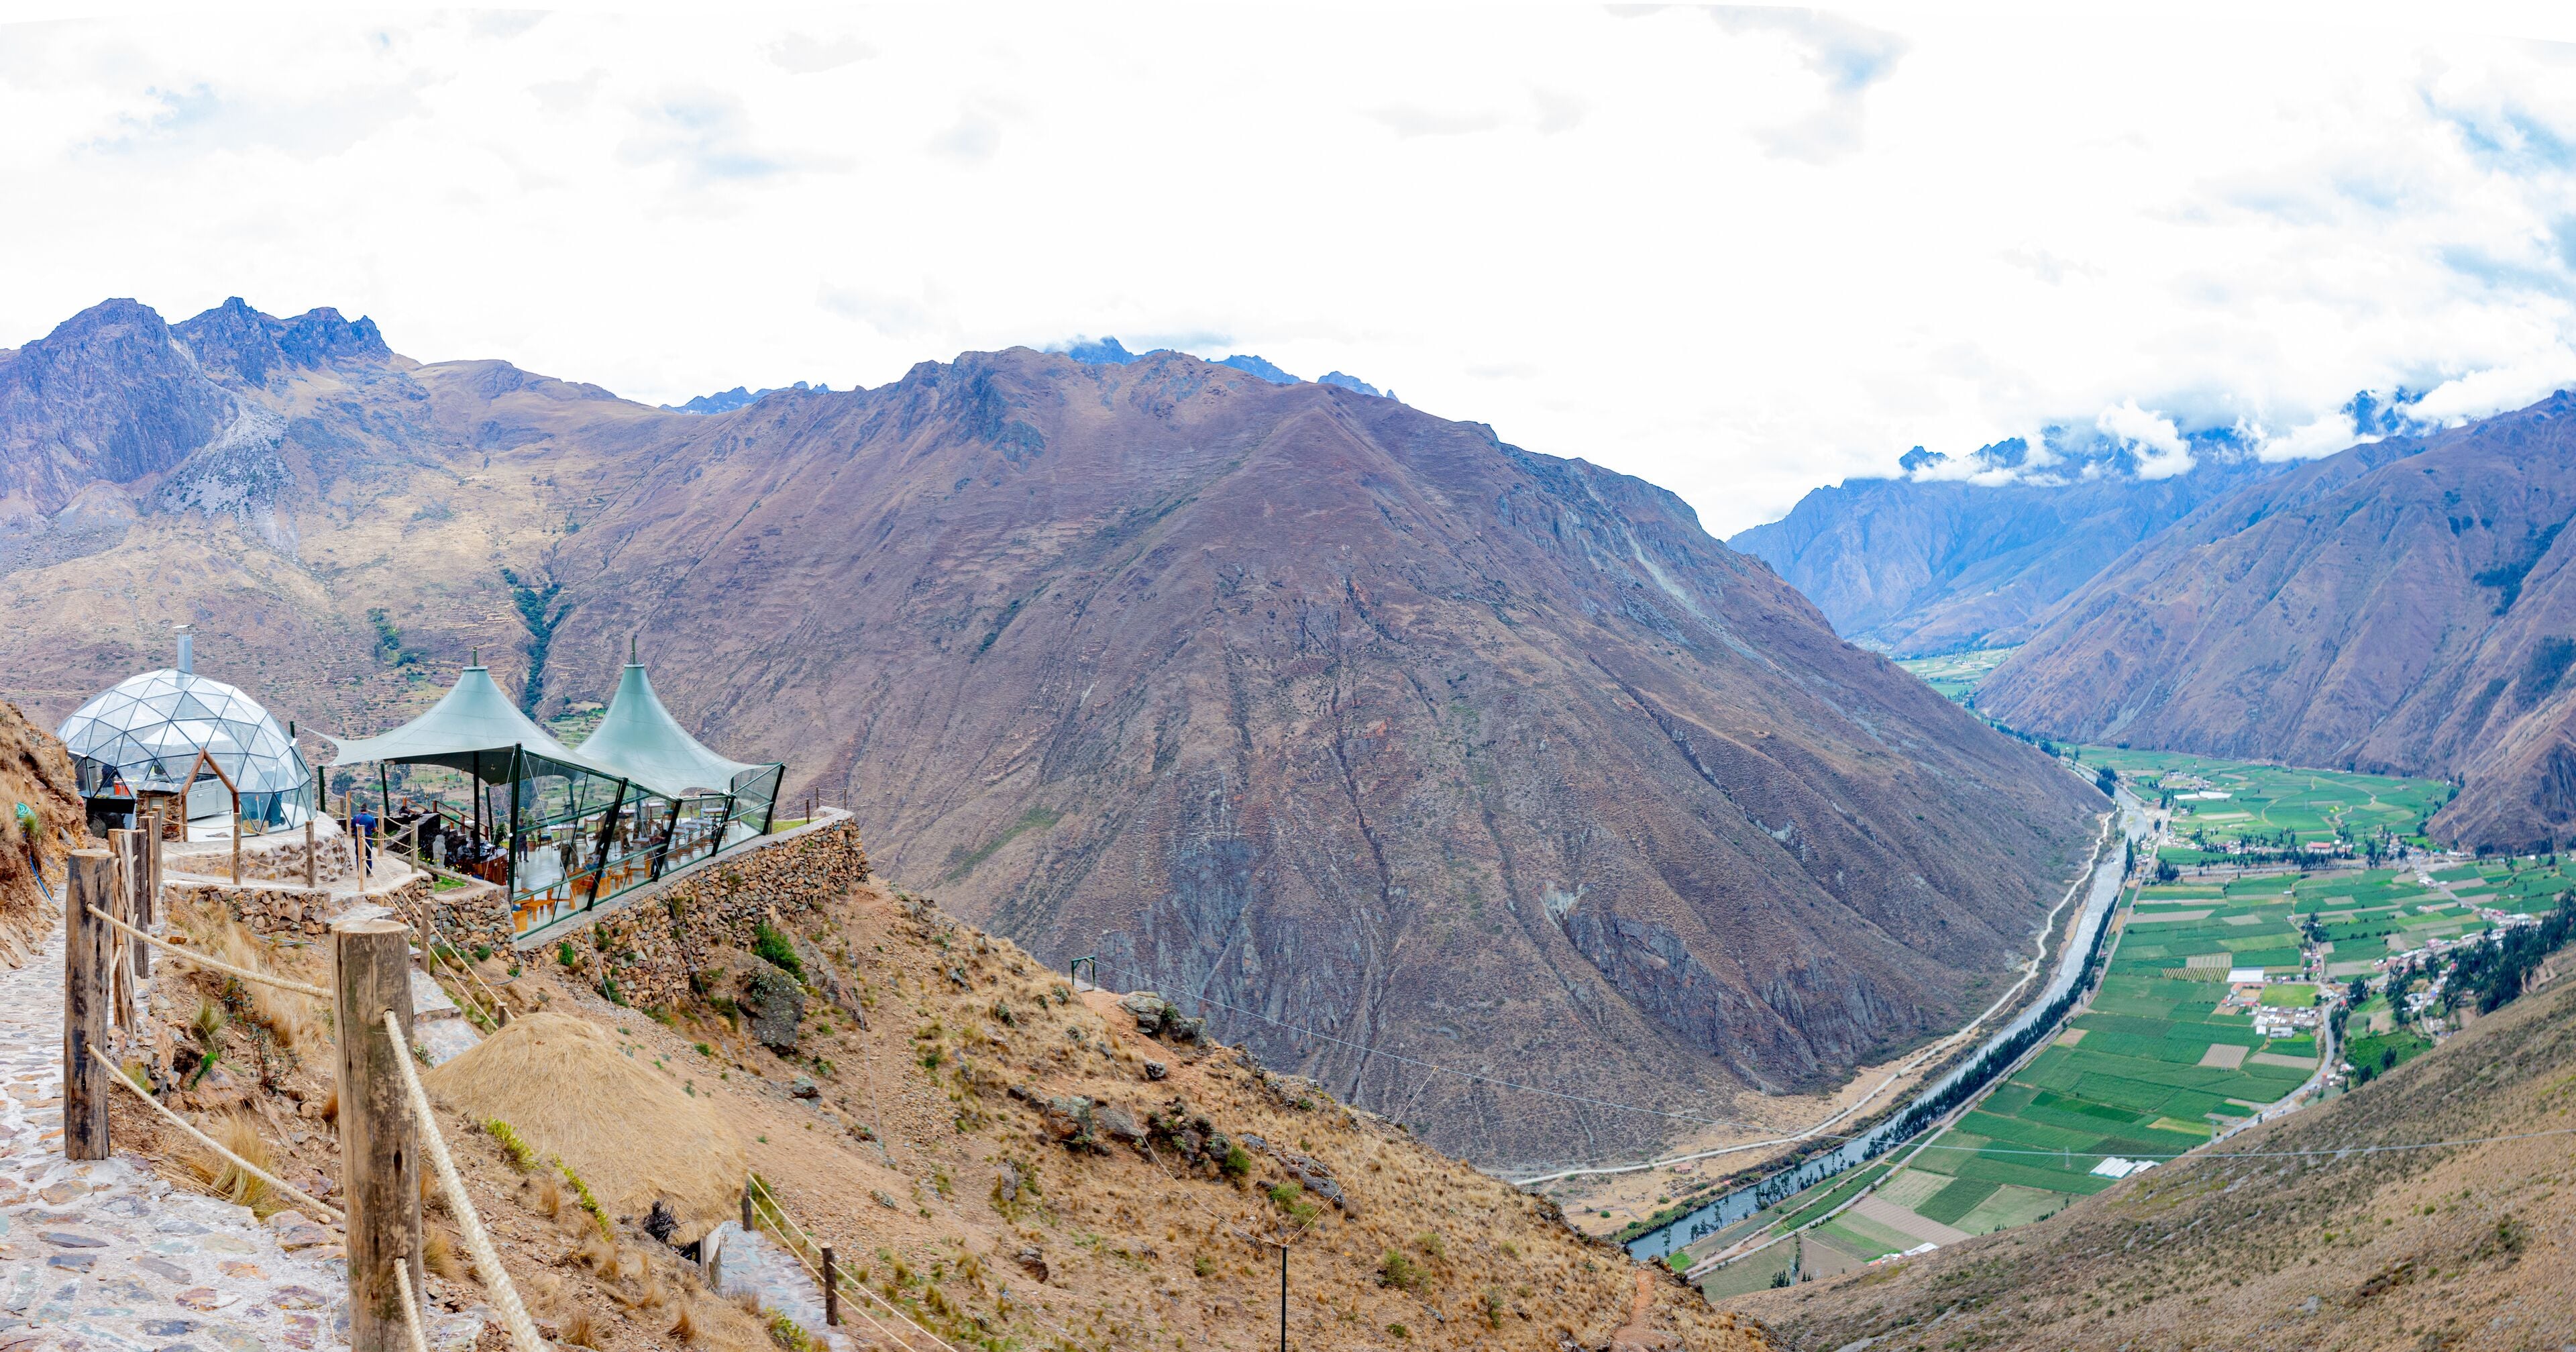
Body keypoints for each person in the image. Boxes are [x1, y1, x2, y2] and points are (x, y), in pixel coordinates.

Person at [352, 802, 378, 874]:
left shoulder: (356, 818)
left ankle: (360, 872)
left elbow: (351, 829)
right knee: (368, 855)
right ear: (367, 810)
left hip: (358, 839)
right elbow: (375, 829)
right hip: (368, 839)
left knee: (359, 855)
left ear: (360, 809)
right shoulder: (371, 818)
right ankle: (368, 873)